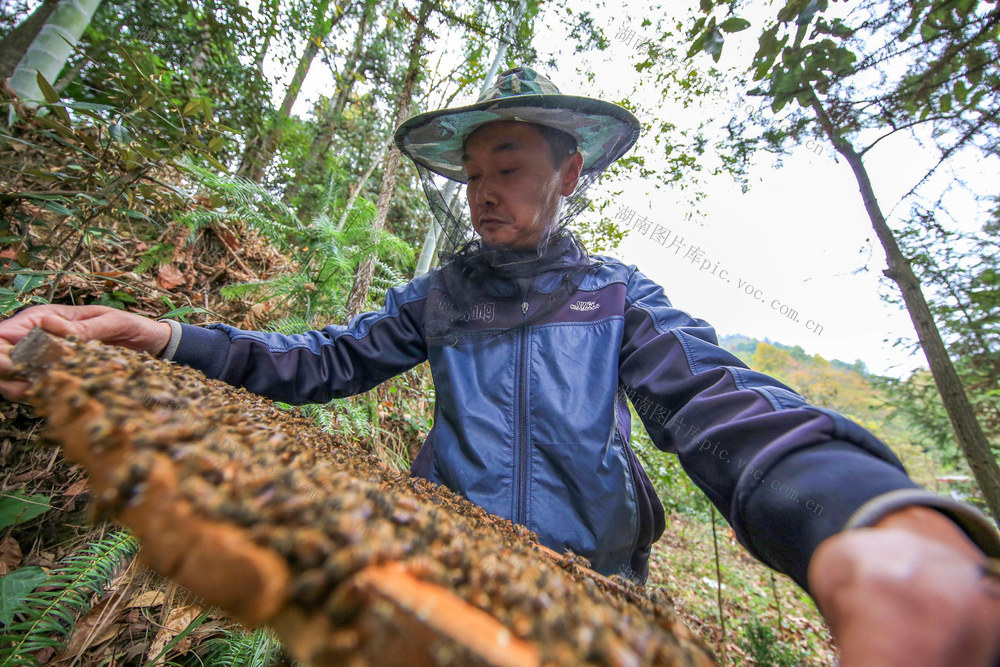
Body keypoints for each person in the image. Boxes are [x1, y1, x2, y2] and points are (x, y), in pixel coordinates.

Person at [2, 67, 999, 665]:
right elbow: (315, 362)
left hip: (594, 581)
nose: (482, 191)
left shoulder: (620, 297)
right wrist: (160, 334)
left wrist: (862, 517)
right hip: (429, 568)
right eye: (472, 174)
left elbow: (717, 403)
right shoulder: (438, 297)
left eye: (509, 167)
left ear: (569, 174)